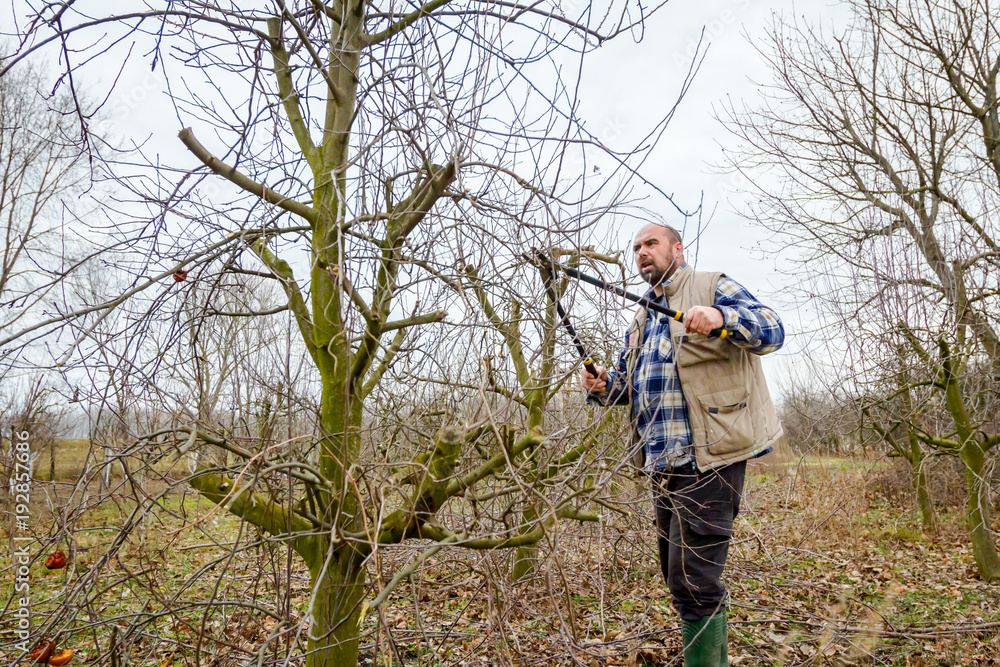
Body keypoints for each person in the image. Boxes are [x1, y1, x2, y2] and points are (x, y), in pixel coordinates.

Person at [581, 222, 784, 667]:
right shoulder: (641, 317)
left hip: (709, 459)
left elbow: (773, 328)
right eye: (636, 247)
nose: (642, 252)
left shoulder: (712, 286)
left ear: (677, 248)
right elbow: (628, 388)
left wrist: (722, 318)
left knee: (694, 582)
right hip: (662, 465)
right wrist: (603, 386)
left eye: (651, 243)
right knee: (679, 579)